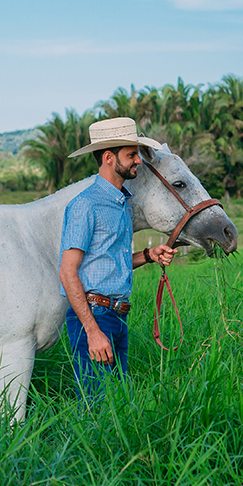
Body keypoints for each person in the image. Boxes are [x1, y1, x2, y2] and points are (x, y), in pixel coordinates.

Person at [58, 117, 177, 403]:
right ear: (109, 158)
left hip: (119, 315)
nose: (138, 161)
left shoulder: (122, 204)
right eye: (131, 155)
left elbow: (108, 262)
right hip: (95, 315)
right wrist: (92, 331)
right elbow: (67, 271)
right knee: (96, 406)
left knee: (117, 405)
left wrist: (148, 255)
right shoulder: (85, 204)